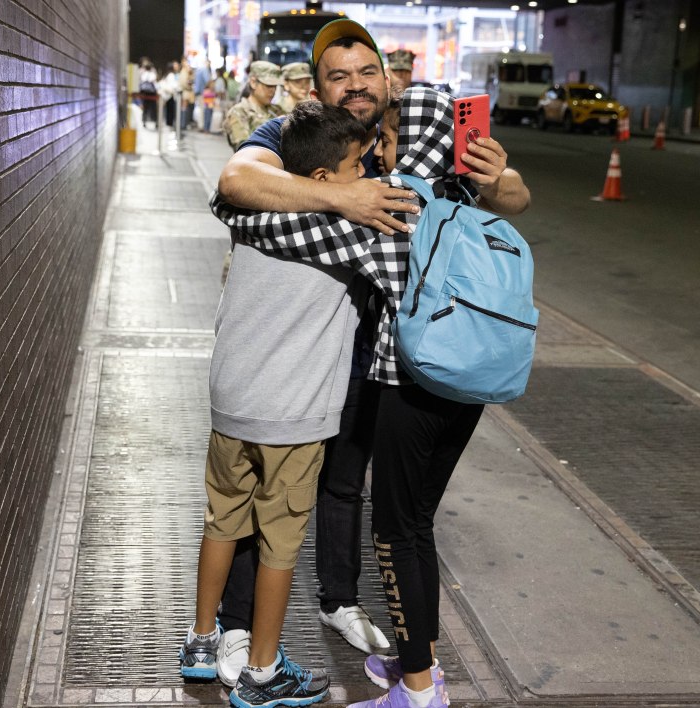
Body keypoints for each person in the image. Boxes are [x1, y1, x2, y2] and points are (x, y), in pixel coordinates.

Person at [211, 85, 530, 708]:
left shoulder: (393, 206)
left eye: (386, 140)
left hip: (408, 388)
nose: (379, 155)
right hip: (467, 392)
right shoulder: (464, 199)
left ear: (412, 140)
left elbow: (273, 227)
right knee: (419, 526)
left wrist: (233, 209)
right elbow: (514, 196)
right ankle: (422, 663)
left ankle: (416, 694)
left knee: (392, 535)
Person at [213, 19, 409, 688]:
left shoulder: (410, 129)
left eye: (365, 72)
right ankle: (238, 632)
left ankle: (339, 601)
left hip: (370, 354)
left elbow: (506, 196)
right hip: (299, 358)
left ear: (386, 76)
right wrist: (342, 195)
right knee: (267, 495)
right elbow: (237, 183)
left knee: (345, 482)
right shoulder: (297, 133)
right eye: (338, 76)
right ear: (319, 87)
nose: (355, 86)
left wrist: (500, 183)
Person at [178, 101, 372, 708]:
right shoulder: (345, 229)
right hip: (292, 415)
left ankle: (203, 642)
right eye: (357, 167)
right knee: (279, 545)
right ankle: (262, 673)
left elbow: (226, 194)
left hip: (230, 403)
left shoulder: (252, 212)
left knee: (222, 522)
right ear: (320, 181)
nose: (365, 178)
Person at [222, 61, 286, 151]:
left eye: (275, 86)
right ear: (253, 82)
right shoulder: (239, 112)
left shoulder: (277, 110)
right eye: (268, 85)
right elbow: (245, 149)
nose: (273, 90)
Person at [137, 57, 159, 128]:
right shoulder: (147, 72)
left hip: (147, 93)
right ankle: (150, 121)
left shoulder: (148, 72)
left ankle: (149, 121)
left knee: (149, 108)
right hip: (150, 93)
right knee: (150, 108)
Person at [159, 60, 180, 129]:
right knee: (170, 112)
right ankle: (169, 126)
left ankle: (168, 125)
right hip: (170, 95)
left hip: (166, 96)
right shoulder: (171, 75)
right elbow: (173, 86)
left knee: (168, 112)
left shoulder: (167, 74)